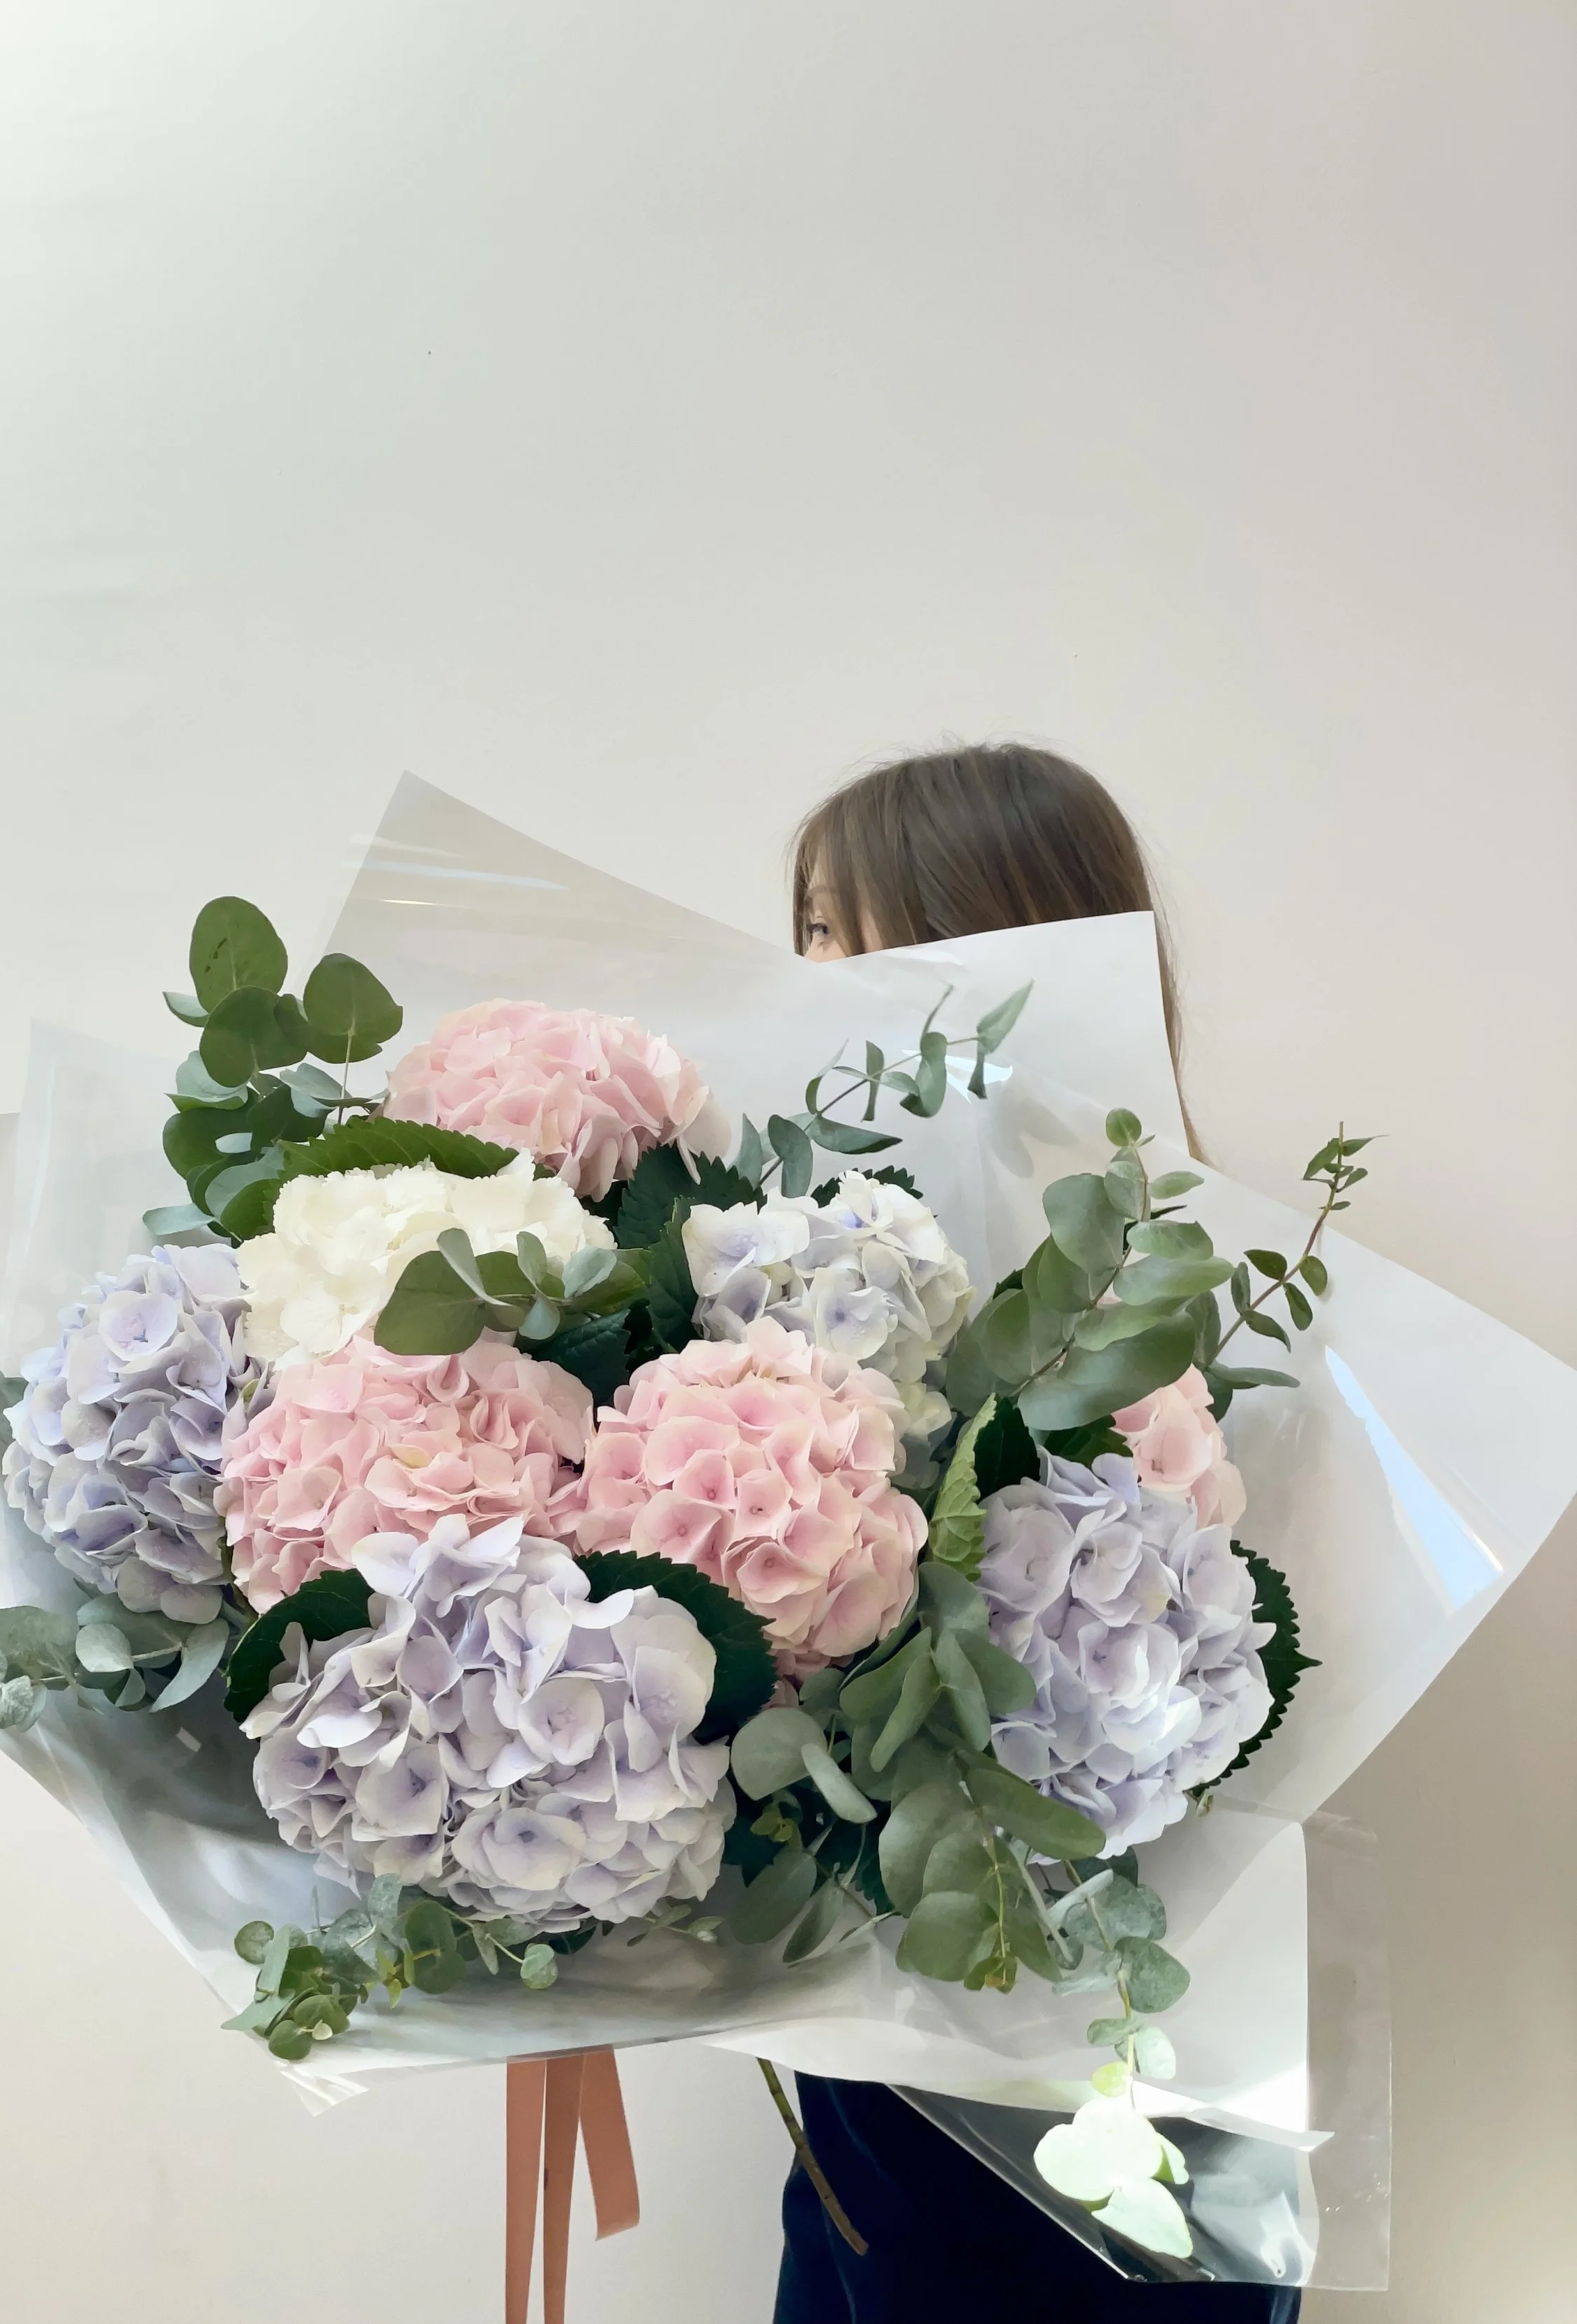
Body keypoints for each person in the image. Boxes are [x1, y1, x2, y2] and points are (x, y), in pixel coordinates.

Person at [775, 742, 1293, 2323]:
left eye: (849, 930)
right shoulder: (812, 1288)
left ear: (1001, 940)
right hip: (882, 2038)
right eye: (807, 930)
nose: (809, 974)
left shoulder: (1195, 1309)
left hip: (1117, 2047)